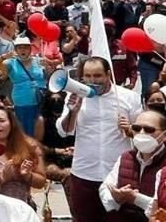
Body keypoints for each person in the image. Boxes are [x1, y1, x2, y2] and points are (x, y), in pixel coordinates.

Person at [58, 55, 143, 222]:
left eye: (97, 76)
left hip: (117, 176)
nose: (92, 80)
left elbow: (143, 134)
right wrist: (73, 112)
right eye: (88, 76)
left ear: (108, 74)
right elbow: (64, 132)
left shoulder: (128, 97)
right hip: (84, 174)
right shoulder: (74, 97)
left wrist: (129, 128)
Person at [98, 109, 166, 219]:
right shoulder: (126, 157)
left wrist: (136, 198)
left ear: (164, 134)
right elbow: (105, 188)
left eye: (149, 129)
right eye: (136, 128)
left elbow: (162, 206)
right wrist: (116, 197)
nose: (141, 133)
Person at [0, 105, 46, 208]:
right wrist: (3, 178)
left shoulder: (30, 146)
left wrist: (27, 176)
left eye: (1, 120)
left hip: (22, 209)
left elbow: (41, 182)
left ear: (11, 123)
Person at [0, 35, 46, 137]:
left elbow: (46, 75)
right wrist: (4, 56)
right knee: (24, 125)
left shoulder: (38, 61)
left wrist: (48, 66)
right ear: (16, 49)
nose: (23, 50)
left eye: (25, 47)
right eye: (20, 47)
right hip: (22, 98)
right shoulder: (10, 62)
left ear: (30, 49)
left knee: (39, 123)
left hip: (40, 97)